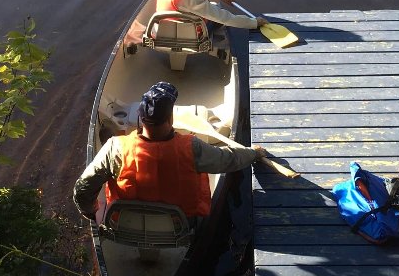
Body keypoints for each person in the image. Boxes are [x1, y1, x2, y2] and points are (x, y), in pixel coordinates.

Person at [73, 81, 267, 223]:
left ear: (140, 117)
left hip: (127, 223)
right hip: (178, 225)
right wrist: (254, 153)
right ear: (171, 119)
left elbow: (83, 187)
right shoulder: (192, 148)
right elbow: (229, 160)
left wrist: (91, 211)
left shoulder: (115, 148)